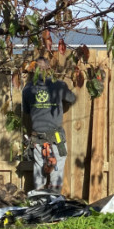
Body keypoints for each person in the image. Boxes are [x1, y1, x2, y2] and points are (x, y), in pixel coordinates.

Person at [22, 58, 76, 194]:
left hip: (37, 137)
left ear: (34, 70)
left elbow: (27, 111)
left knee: (39, 165)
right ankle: (54, 198)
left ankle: (39, 198)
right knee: (57, 164)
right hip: (56, 136)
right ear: (48, 68)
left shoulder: (27, 89)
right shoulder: (58, 85)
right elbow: (72, 99)